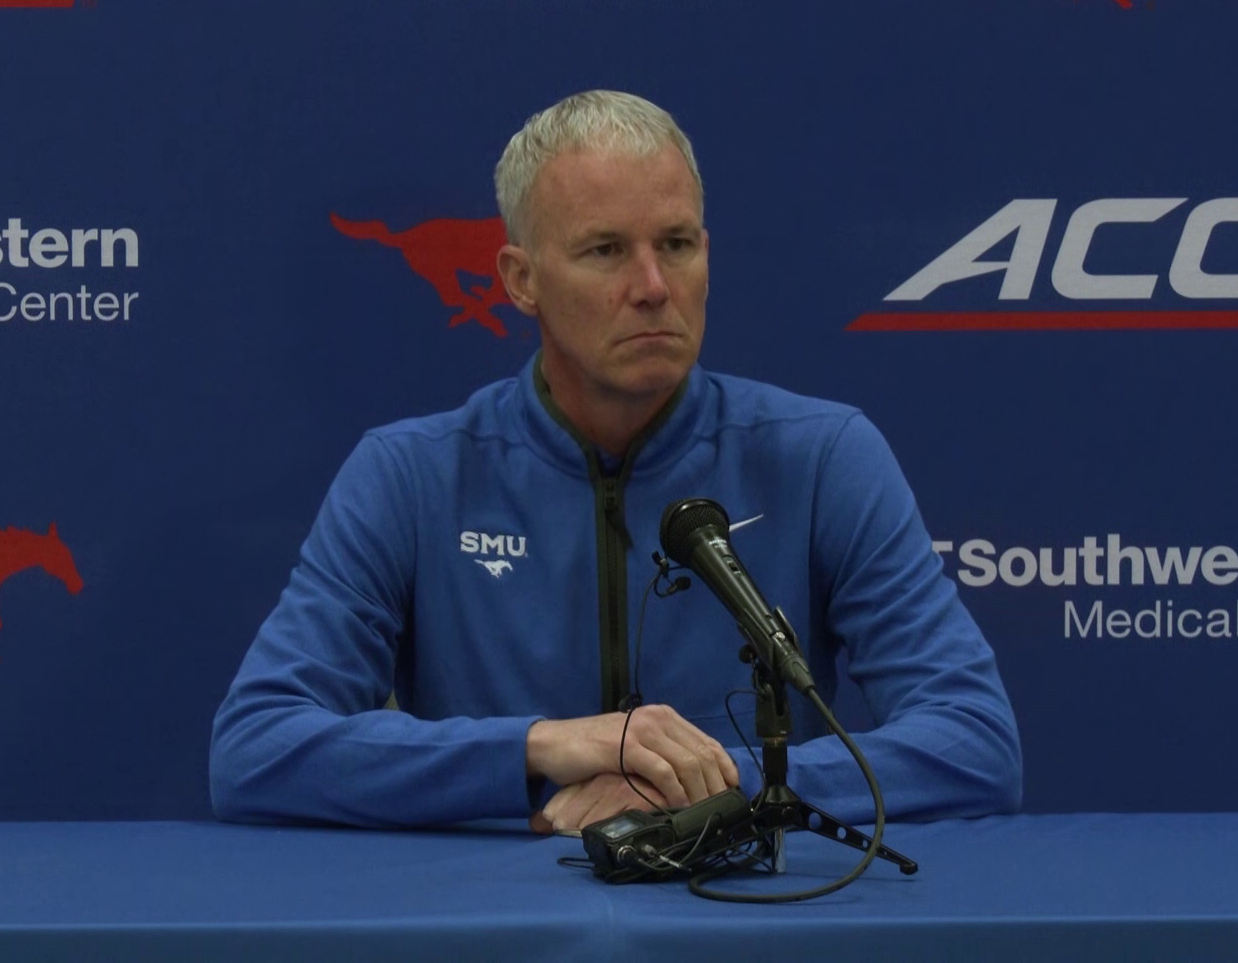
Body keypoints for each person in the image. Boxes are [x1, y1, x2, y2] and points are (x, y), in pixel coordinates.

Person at [211, 91, 1020, 833]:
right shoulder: (412, 474)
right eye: (604, 250)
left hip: (755, 915)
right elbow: (257, 747)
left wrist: (716, 780)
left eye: (675, 244)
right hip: (487, 923)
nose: (652, 286)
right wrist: (536, 750)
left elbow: (976, 741)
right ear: (521, 281)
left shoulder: (821, 456)